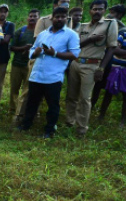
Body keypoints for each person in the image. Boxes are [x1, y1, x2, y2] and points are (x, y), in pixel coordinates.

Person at [17, 6, 80, 138]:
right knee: (32, 102)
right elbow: (33, 49)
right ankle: (26, 125)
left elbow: (74, 54)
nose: (60, 19)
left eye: (63, 17)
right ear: (52, 18)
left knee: (53, 105)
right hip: (37, 74)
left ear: (66, 18)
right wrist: (35, 52)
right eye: (57, 17)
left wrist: (55, 53)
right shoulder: (43, 34)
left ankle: (49, 130)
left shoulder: (71, 34)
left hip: (53, 76)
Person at [63, 0, 118, 136]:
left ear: (104, 10)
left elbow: (111, 48)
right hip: (76, 63)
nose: (97, 11)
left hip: (92, 64)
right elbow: (75, 45)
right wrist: (90, 40)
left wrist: (101, 68)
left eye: (100, 9)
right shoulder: (82, 26)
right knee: (71, 95)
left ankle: (81, 128)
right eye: (94, 9)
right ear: (90, 11)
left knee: (85, 98)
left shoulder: (110, 24)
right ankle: (69, 122)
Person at [11, 10, 39, 117]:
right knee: (14, 88)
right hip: (17, 64)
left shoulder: (40, 33)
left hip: (32, 66)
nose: (32, 18)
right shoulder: (20, 31)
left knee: (28, 90)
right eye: (30, 16)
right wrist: (24, 48)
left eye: (34, 16)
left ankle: (24, 111)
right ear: (27, 18)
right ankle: (13, 108)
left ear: (38, 18)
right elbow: (12, 47)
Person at [0, 4, 15, 113]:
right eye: (1, 11)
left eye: (5, 11)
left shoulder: (10, 25)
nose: (3, 13)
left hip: (2, 59)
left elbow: (6, 40)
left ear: (7, 13)